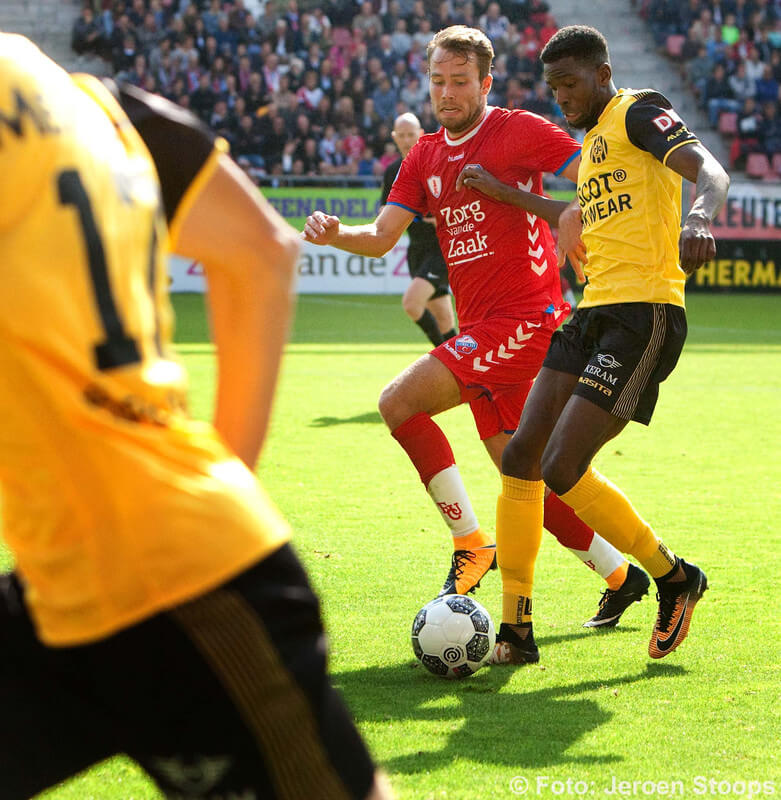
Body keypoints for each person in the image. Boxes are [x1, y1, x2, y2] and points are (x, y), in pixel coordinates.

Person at [0, 34, 390, 800]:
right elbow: (263, 253)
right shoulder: (93, 99)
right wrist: (224, 481)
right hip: (133, 566)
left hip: (177, 598)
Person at [303, 25, 649, 626]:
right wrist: (339, 235)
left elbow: (595, 170)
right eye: (438, 81)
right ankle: (622, 576)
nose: (447, 93)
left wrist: (573, 211)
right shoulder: (424, 155)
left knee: (398, 403)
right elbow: (382, 236)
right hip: (484, 326)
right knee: (526, 478)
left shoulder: (518, 130)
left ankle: (471, 544)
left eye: (459, 82)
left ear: (485, 83)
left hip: (530, 321)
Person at [456, 25, 729, 665]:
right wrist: (502, 193)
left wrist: (698, 216)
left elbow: (709, 170)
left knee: (561, 465)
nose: (562, 98)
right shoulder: (596, 143)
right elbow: (575, 215)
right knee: (521, 453)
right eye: (554, 88)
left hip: (643, 313)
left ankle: (673, 576)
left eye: (570, 84)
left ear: (602, 74)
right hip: (592, 312)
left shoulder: (636, 111)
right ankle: (518, 631)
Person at [380, 111, 457, 347]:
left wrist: (442, 216)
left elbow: (454, 203)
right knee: (444, 319)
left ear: (421, 134)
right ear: (394, 137)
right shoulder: (392, 171)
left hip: (440, 249)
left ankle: (442, 362)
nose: (405, 140)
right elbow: (385, 210)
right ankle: (463, 376)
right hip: (416, 251)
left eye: (410, 134)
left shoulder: (435, 163)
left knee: (412, 304)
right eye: (401, 135)